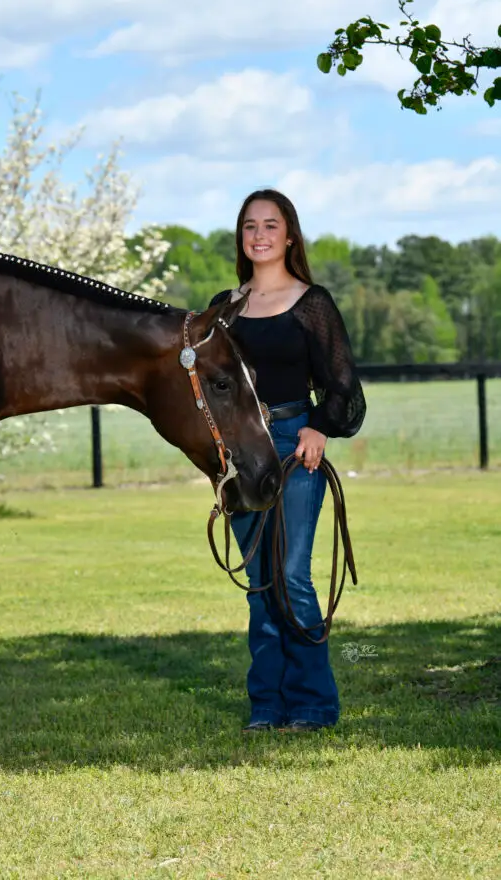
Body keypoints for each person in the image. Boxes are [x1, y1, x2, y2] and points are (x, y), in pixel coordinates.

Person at [209, 188, 366, 734]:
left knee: (292, 574)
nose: (259, 235)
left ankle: (312, 703)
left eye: (270, 225)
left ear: (290, 236)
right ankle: (267, 705)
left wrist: (319, 427)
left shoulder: (311, 303)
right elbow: (209, 387)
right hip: (241, 451)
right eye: (250, 226)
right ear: (241, 237)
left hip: (295, 445)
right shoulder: (225, 307)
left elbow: (344, 386)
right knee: (258, 582)